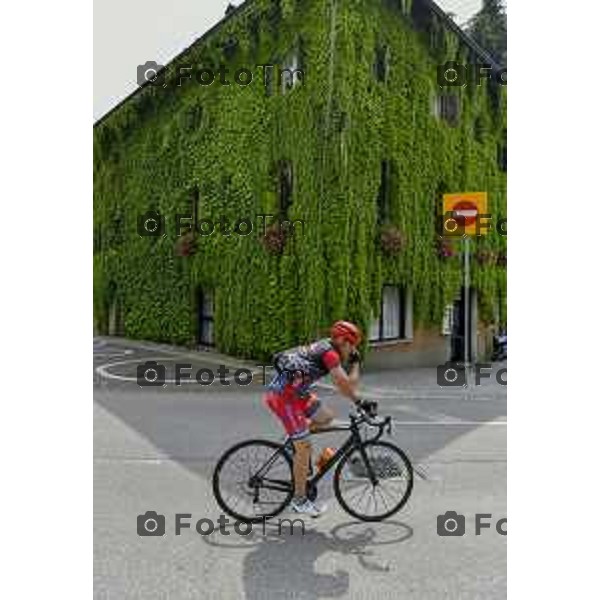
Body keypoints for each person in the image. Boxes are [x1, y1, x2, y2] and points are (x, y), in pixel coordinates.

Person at [264, 320, 365, 517]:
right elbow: (346, 386)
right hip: (284, 398)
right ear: (343, 340)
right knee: (305, 448)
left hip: (297, 394)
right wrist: (359, 397)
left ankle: (296, 439)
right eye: (352, 345)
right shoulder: (329, 354)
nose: (352, 350)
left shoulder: (327, 346)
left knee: (326, 416)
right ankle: (299, 501)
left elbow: (347, 385)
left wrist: (353, 366)